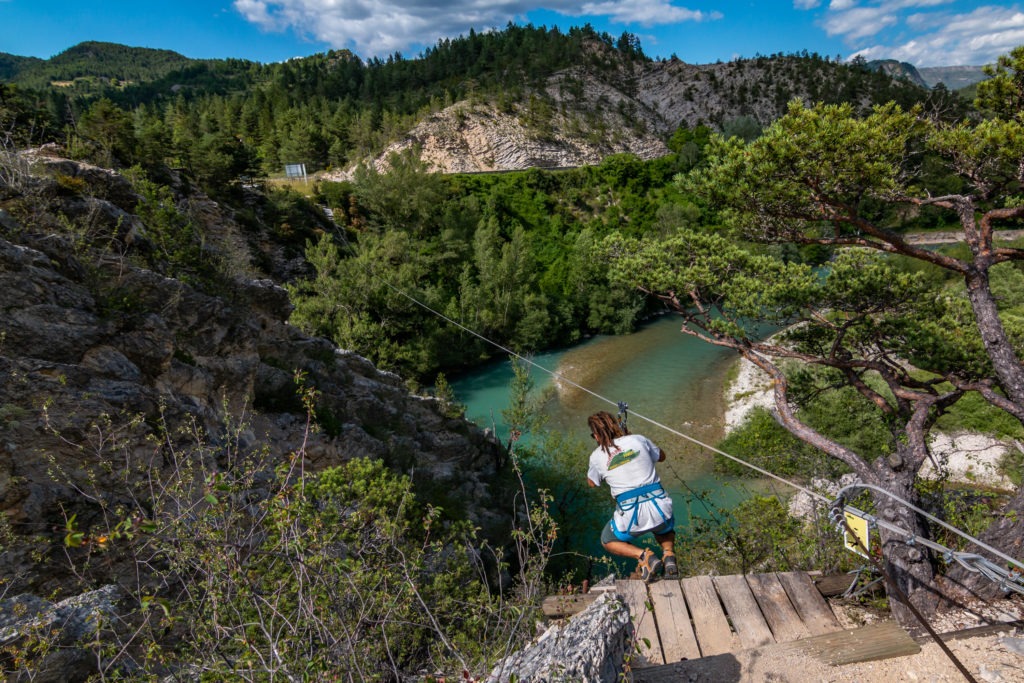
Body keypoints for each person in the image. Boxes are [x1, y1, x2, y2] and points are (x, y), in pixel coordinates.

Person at [586, 411, 677, 582]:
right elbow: (662, 457)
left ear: (597, 436)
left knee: (607, 540)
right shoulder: (638, 439)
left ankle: (644, 556)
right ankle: (669, 555)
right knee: (662, 526)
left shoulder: (596, 456)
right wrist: (630, 438)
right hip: (660, 507)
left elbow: (592, 483)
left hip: (631, 516)